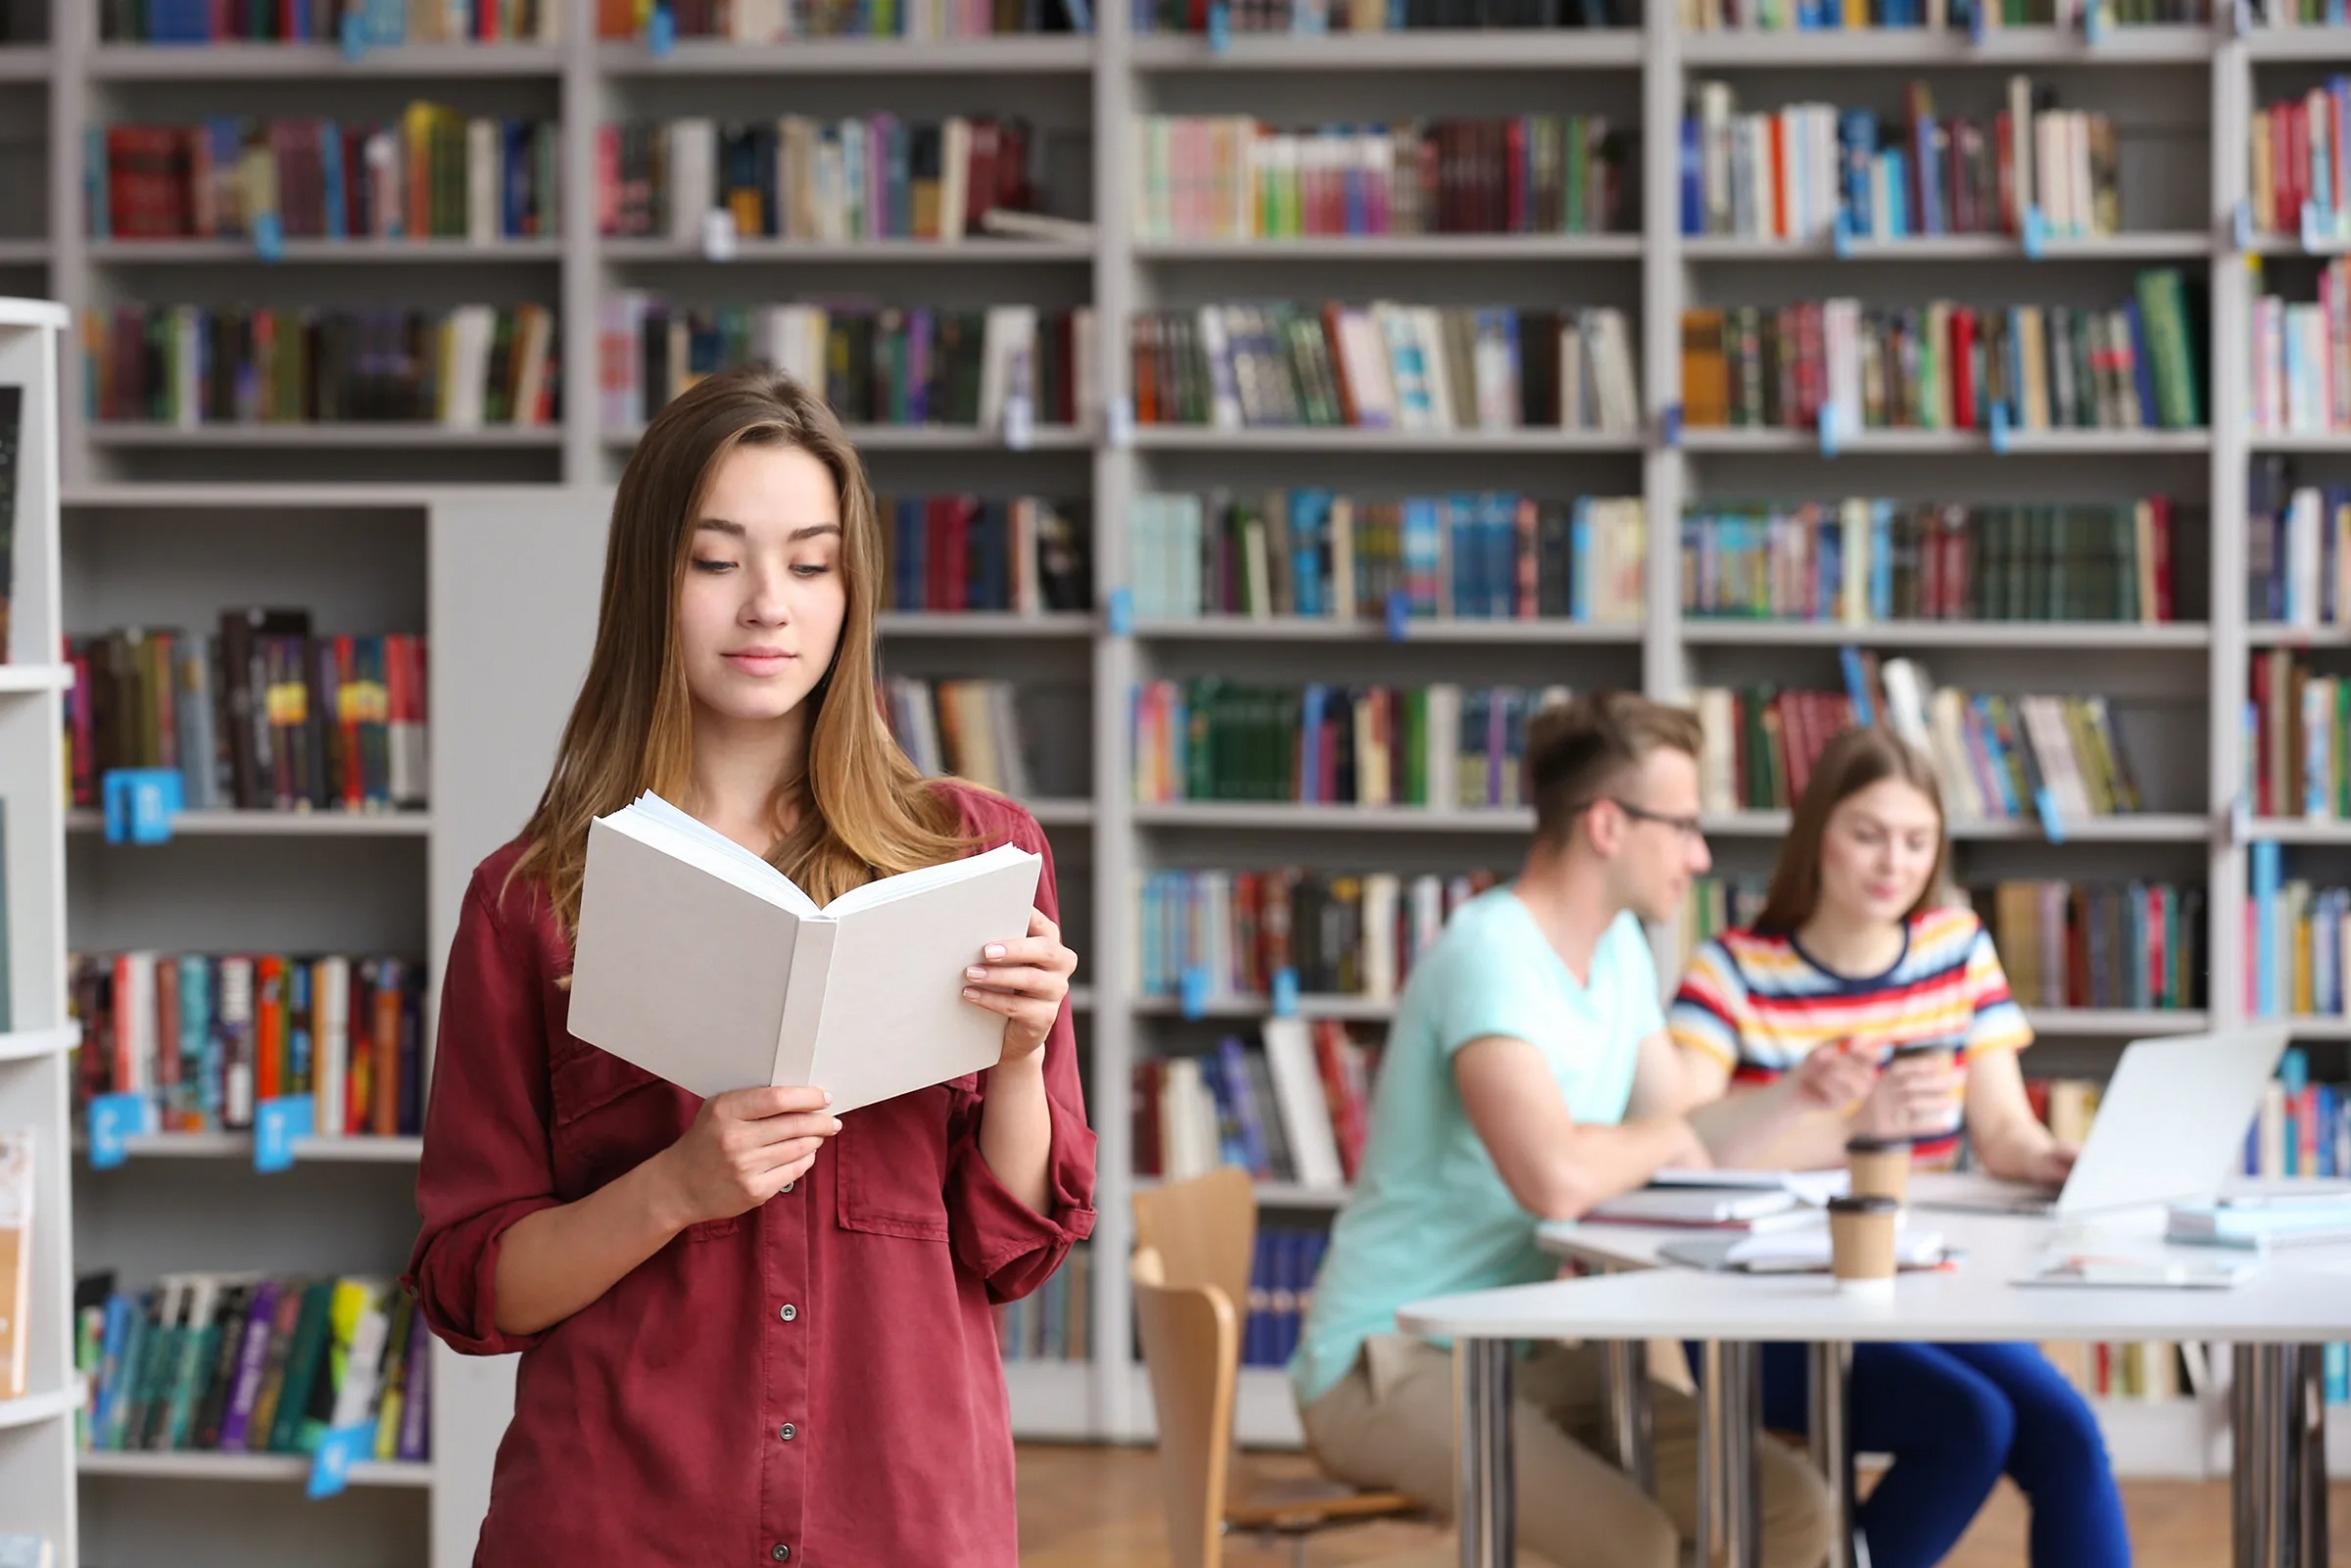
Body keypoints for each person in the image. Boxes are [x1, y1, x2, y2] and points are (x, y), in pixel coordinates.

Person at [403, 368, 1095, 1567]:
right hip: (620, 1520)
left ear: (850, 591)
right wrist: (674, 1187)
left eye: (810, 563)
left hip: (899, 1520)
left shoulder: (976, 853)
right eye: (718, 559)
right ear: (650, 584)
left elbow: (1014, 1248)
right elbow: (474, 1285)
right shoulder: (531, 899)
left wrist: (1023, 1059)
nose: (767, 603)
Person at [1290, 691, 1837, 1568]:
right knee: (1635, 1544)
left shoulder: (1616, 950)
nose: (1698, 857)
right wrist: (1672, 1134)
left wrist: (1809, 1099)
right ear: (1608, 825)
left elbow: (1688, 1140)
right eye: (1685, 826)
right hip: (1387, 1356)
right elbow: (1555, 1177)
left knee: (1788, 1508)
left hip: (1520, 1346)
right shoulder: (1490, 954)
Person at [1671, 723, 2129, 1568]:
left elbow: (1999, 1132)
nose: (1893, 863)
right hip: (1760, 1309)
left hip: (1919, 1288)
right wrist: (1850, 1122)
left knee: (2062, 1433)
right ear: (1817, 837)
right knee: (1970, 1419)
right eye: (1867, 835)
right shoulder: (1729, 970)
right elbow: (1685, 1150)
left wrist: (2044, 1160)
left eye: (1917, 841)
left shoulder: (1953, 951)